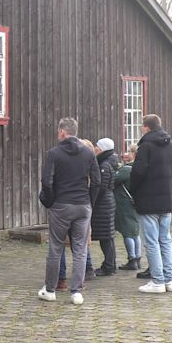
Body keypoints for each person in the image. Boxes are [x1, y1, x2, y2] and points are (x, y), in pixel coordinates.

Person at [38, 118, 100, 305]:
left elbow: (47, 181)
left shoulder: (54, 154)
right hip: (83, 204)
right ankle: (76, 292)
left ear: (63, 132)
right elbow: (96, 181)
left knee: (56, 248)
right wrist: (90, 202)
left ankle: (50, 290)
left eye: (59, 131)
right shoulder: (89, 153)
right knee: (80, 249)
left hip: (61, 205)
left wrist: (49, 201)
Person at [130, 114, 172, 294]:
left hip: (148, 200)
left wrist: (133, 190)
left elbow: (138, 173)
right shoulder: (171, 145)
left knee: (151, 242)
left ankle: (157, 280)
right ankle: (169, 279)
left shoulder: (145, 147)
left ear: (146, 128)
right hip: (166, 199)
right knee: (165, 240)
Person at [112, 145, 143, 273]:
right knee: (135, 231)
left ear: (133, 154)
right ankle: (137, 258)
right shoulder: (139, 167)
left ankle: (132, 259)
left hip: (125, 204)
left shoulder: (127, 169)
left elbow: (114, 180)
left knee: (127, 232)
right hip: (136, 202)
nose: (127, 154)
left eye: (129, 151)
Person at [93, 138, 119, 276]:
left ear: (102, 149)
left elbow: (101, 187)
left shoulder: (104, 165)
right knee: (107, 236)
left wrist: (92, 199)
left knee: (106, 237)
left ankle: (109, 266)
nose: (95, 149)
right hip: (107, 202)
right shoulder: (108, 162)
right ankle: (110, 264)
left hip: (103, 203)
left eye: (97, 147)